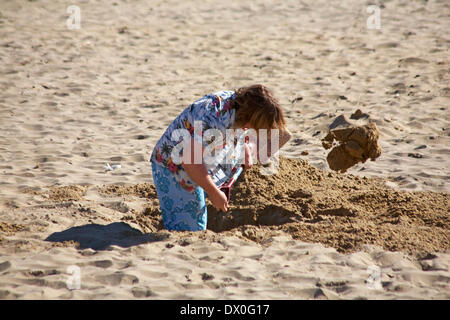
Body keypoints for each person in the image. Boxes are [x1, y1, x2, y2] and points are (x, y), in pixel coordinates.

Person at [150, 84, 291, 231]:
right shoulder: (215, 120)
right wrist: (214, 193)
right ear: (250, 118)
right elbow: (190, 160)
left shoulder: (238, 104)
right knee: (192, 230)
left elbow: (240, 131)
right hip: (174, 165)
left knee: (234, 161)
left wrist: (244, 149)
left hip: (206, 151)